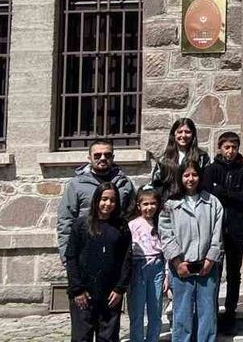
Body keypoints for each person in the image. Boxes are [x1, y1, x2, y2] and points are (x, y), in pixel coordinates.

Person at [159, 159, 224, 342]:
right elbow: (166, 235)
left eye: (194, 174)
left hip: (206, 268)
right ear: (180, 178)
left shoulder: (212, 202)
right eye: (186, 175)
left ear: (200, 177)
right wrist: (177, 263)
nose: (190, 179)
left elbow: (217, 234)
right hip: (182, 268)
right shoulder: (171, 205)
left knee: (207, 313)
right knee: (182, 313)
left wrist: (210, 260)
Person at [200, 131, 243, 334]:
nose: (230, 151)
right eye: (227, 147)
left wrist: (222, 191)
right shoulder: (211, 170)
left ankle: (230, 313)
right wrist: (229, 194)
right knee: (213, 271)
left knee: (234, 273)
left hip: (236, 227)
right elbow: (208, 194)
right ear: (220, 148)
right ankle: (212, 314)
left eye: (234, 147)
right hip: (214, 229)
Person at [66, 182, 131, 342]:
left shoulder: (121, 227)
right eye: (104, 199)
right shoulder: (81, 225)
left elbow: (126, 259)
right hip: (84, 294)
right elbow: (71, 257)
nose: (108, 204)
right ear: (96, 200)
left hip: (110, 294)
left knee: (108, 338)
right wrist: (77, 289)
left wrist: (120, 288)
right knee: (82, 338)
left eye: (112, 200)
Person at [58, 138, 136, 258]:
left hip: (116, 249)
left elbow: (132, 215)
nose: (103, 158)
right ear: (89, 158)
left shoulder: (124, 183)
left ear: (113, 157)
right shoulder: (76, 184)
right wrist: (66, 256)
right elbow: (66, 219)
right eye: (97, 155)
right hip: (86, 249)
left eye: (107, 155)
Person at [128, 189, 169, 342]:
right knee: (137, 311)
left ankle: (153, 339)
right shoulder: (132, 225)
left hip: (157, 267)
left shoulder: (161, 223)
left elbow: (167, 251)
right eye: (145, 204)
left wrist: (167, 275)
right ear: (138, 206)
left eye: (153, 204)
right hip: (138, 267)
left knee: (155, 310)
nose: (149, 207)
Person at [151, 118, 212, 200]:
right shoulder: (163, 160)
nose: (183, 135)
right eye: (180, 132)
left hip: (195, 202)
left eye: (187, 132)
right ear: (174, 134)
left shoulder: (202, 157)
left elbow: (206, 183)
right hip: (170, 202)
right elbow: (156, 185)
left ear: (193, 134)